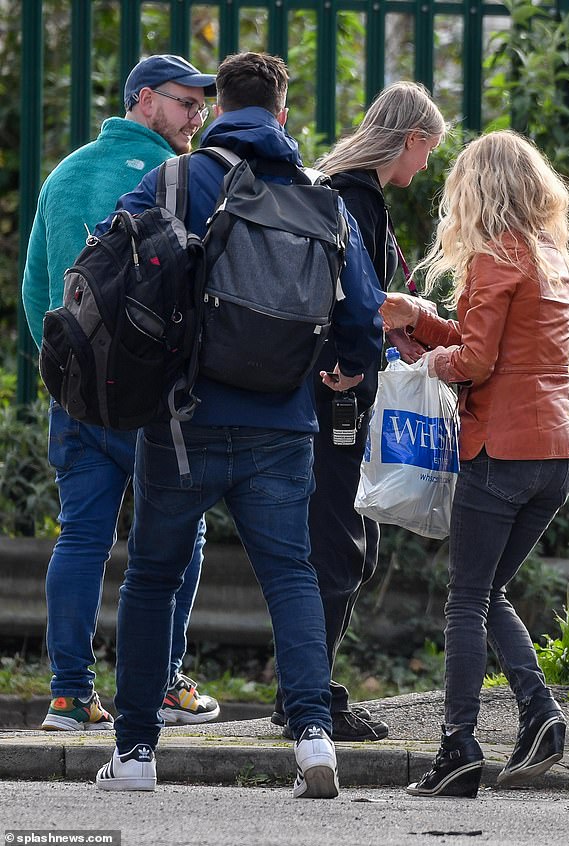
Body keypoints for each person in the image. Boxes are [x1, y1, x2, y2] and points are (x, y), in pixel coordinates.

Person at [93, 51, 385, 797]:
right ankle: (315, 741)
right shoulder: (324, 196)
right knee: (291, 576)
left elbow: (108, 270)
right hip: (285, 425)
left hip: (182, 423)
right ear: (282, 114)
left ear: (215, 108)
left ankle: (133, 755)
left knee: (152, 578)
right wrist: (346, 365)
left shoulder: (173, 180)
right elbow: (363, 313)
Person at [21, 54, 221, 732]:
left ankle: (69, 696)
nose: (197, 116)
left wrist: (66, 373)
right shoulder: (176, 178)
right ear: (143, 101)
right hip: (151, 399)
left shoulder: (63, 174)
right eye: (184, 102)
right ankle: (164, 682)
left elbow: (34, 292)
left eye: (202, 104)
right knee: (179, 532)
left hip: (74, 395)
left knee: (80, 537)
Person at [380, 129, 569, 797]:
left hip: (500, 449)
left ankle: (457, 747)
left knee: (466, 599)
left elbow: (476, 362)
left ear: (479, 190)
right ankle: (540, 714)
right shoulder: (551, 259)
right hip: (555, 453)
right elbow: (496, 343)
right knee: (489, 591)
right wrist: (422, 319)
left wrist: (430, 360)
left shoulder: (496, 257)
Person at [270, 81, 445, 742]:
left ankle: (304, 690)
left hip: (323, 392)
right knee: (339, 546)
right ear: (411, 139)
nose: (426, 164)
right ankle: (306, 698)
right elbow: (353, 297)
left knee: (345, 540)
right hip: (337, 394)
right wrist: (356, 354)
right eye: (428, 149)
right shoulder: (355, 196)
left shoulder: (337, 185)